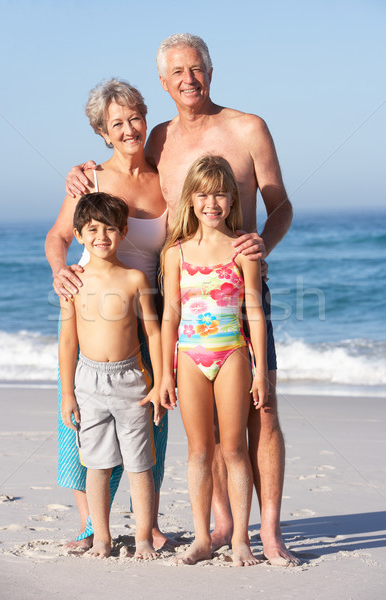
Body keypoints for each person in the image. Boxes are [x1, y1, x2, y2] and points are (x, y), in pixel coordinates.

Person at [65, 33, 299, 566]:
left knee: (263, 413)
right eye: (176, 72)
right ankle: (218, 524)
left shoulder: (248, 128)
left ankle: (269, 529)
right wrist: (84, 172)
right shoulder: (160, 140)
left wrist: (266, 241)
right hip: (184, 295)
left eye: (196, 68)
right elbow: (126, 168)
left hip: (241, 285)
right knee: (209, 429)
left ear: (210, 71)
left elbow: (280, 205)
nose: (188, 79)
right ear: (164, 83)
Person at [45, 79, 174, 551]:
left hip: (146, 308)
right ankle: (90, 527)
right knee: (82, 427)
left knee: (150, 424)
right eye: (115, 123)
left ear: (145, 117)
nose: (128, 129)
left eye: (134, 118)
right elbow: (58, 237)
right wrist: (61, 272)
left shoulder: (166, 178)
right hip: (91, 305)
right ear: (101, 132)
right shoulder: (90, 180)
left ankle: (149, 525)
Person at [160, 155, 268, 566]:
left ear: (232, 199)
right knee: (199, 451)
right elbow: (170, 312)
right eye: (203, 194)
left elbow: (254, 310)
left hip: (232, 354)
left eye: (220, 194)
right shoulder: (177, 253)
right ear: (190, 200)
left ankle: (241, 538)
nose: (212, 203)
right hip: (189, 357)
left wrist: (259, 371)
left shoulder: (243, 249)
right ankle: (202, 539)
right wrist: (166, 372)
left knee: (235, 449)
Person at [60, 192, 163, 559]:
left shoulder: (134, 278)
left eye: (109, 229)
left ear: (123, 232)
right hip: (88, 381)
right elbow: (68, 339)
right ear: (78, 234)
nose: (101, 236)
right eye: (92, 229)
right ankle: (101, 537)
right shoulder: (74, 282)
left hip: (131, 379)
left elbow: (152, 332)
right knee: (98, 464)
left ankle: (144, 539)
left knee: (139, 464)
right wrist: (68, 394)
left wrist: (160, 380)